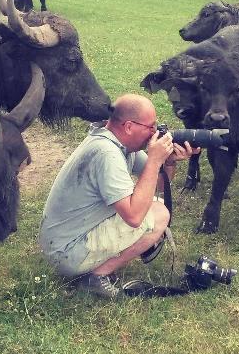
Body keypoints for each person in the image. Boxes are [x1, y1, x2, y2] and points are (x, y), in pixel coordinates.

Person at [39, 94, 200, 298]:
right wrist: (153, 161)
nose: (155, 133)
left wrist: (167, 162)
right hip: (68, 251)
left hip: (64, 240)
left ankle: (95, 267)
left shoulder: (118, 143)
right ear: (129, 127)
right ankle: (95, 277)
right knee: (158, 214)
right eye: (151, 127)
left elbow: (158, 185)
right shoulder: (107, 153)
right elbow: (133, 217)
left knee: (156, 204)